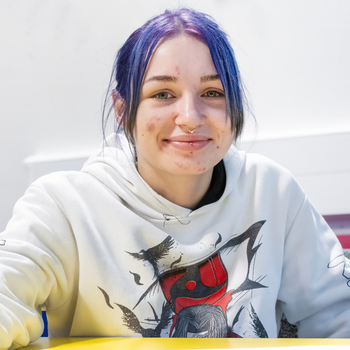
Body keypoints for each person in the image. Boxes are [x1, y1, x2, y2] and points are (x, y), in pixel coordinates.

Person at [0, 8, 349, 349]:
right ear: (123, 111)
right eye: (162, 94)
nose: (190, 118)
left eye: (212, 93)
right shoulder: (61, 207)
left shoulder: (273, 189)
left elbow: (338, 312)